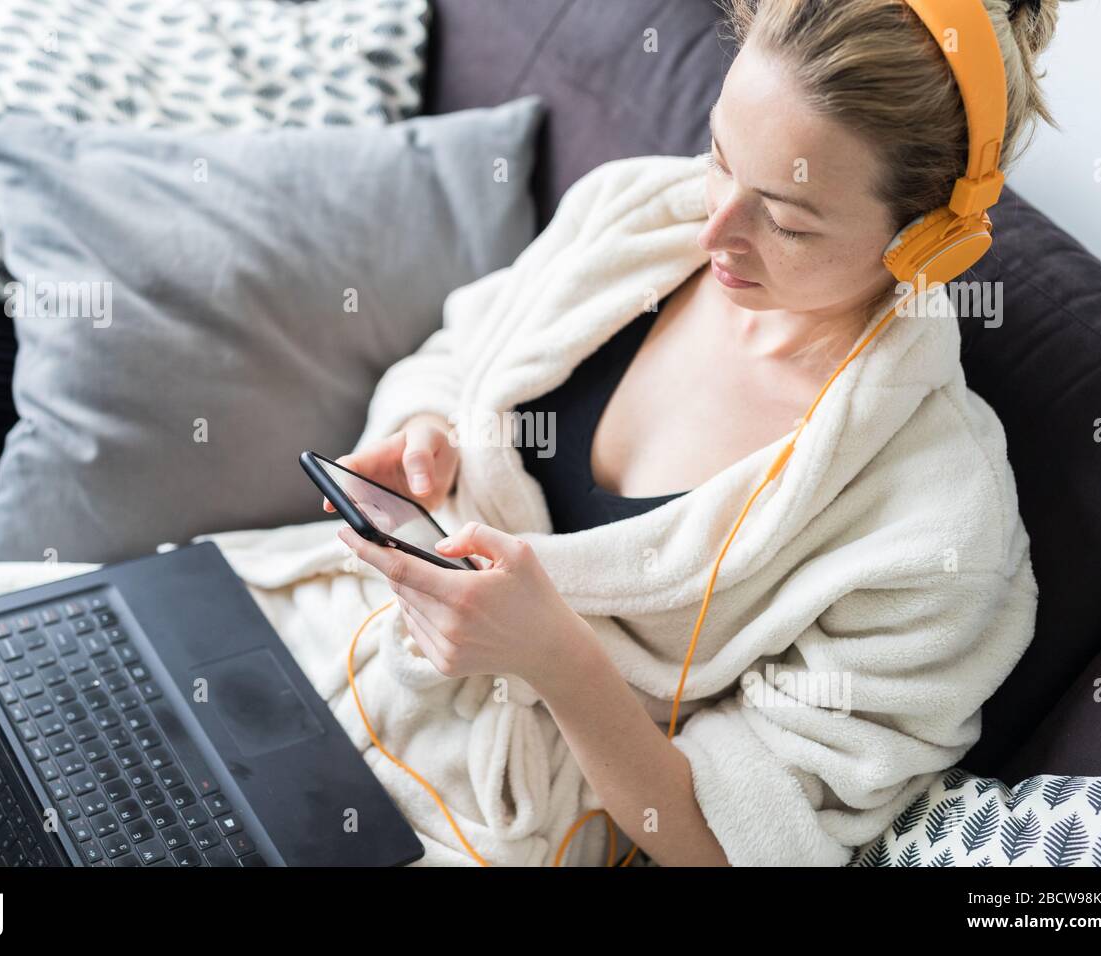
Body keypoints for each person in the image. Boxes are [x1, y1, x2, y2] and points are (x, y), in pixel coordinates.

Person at [285, 0, 1056, 866]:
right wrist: (425, 432)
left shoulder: (935, 525)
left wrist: (553, 658)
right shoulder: (636, 209)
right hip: (314, 631)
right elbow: (465, 346)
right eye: (721, 157)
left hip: (476, 817)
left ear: (929, 242)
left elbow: (740, 848)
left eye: (789, 220)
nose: (714, 230)